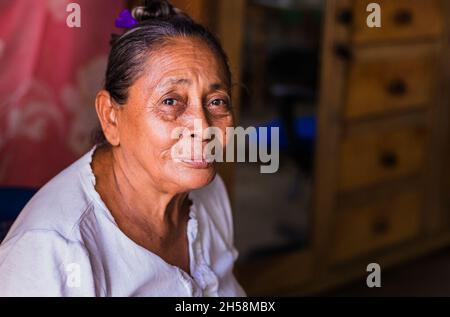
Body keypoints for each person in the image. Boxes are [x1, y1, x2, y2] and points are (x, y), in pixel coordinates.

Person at [0, 0, 246, 297]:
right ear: (110, 116)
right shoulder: (51, 252)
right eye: (171, 101)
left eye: (216, 101)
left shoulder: (209, 192)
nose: (204, 129)